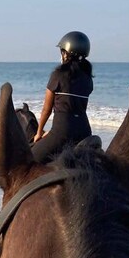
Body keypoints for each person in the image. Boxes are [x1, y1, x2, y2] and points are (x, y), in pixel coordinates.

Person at [31, 31, 94, 163]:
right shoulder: (88, 78)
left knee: (28, 161)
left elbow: (46, 109)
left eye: (62, 51)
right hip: (84, 132)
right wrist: (52, 132)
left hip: (62, 131)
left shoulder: (58, 75)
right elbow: (79, 109)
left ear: (67, 53)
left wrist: (39, 132)